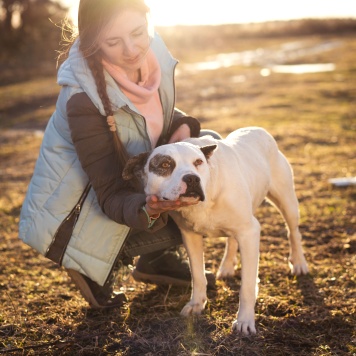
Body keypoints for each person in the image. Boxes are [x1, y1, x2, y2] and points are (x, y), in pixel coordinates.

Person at [19, 0, 221, 308]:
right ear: (92, 43)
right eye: (113, 42)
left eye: (138, 32)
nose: (131, 49)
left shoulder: (153, 58)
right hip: (77, 218)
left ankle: (158, 258)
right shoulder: (83, 100)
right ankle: (91, 261)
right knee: (189, 200)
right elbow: (111, 190)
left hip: (124, 188)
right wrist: (150, 209)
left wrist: (180, 128)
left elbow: (146, 119)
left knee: (211, 148)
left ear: (147, 20)